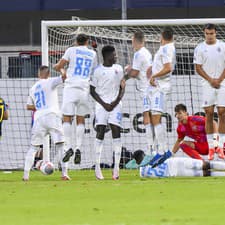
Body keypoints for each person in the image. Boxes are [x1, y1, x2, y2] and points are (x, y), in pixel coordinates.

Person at [54, 33, 97, 165]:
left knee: (66, 117)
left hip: (71, 87)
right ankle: (78, 147)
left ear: (76, 41)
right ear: (87, 41)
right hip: (84, 88)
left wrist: (62, 72)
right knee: (81, 119)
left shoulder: (71, 50)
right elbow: (94, 71)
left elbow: (58, 66)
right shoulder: (93, 54)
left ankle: (68, 147)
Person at [23, 66, 69, 181]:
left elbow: (28, 106)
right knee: (61, 146)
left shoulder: (33, 88)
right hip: (52, 116)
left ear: (39, 74)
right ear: (48, 74)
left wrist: (40, 107)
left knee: (33, 148)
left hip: (39, 118)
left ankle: (26, 176)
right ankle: (64, 174)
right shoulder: (50, 81)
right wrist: (61, 68)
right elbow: (64, 77)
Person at [90, 45, 125, 180]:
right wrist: (104, 104)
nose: (116, 57)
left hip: (115, 105)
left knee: (116, 132)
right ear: (107, 56)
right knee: (100, 132)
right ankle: (98, 168)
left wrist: (115, 102)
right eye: (114, 55)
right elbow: (92, 91)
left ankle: (116, 169)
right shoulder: (97, 71)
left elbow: (122, 88)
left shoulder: (119, 69)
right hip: (101, 105)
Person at [144, 27, 176, 166]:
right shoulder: (168, 48)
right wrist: (153, 68)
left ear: (161, 37)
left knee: (156, 118)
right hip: (159, 87)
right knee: (155, 117)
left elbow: (168, 68)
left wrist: (154, 75)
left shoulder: (166, 48)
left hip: (161, 87)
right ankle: (162, 151)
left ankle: (163, 152)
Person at [194, 23, 225, 160]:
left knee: (223, 113)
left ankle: (222, 147)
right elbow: (198, 68)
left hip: (223, 82)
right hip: (207, 84)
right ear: (204, 33)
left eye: (212, 33)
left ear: (216, 33)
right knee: (209, 113)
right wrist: (211, 80)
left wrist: (218, 80)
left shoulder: (223, 46)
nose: (210, 36)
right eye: (207, 33)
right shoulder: (200, 48)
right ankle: (212, 147)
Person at [124, 31, 153, 166]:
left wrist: (127, 72)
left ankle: (150, 151)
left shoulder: (138, 53)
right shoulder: (147, 52)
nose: (131, 44)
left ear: (135, 40)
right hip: (151, 88)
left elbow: (135, 73)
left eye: (131, 41)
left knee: (146, 116)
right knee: (153, 117)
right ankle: (154, 149)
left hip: (145, 89)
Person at [140, 157, 225, 178]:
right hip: (175, 172)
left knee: (205, 165)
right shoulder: (142, 171)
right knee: (206, 173)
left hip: (176, 162)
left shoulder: (142, 172)